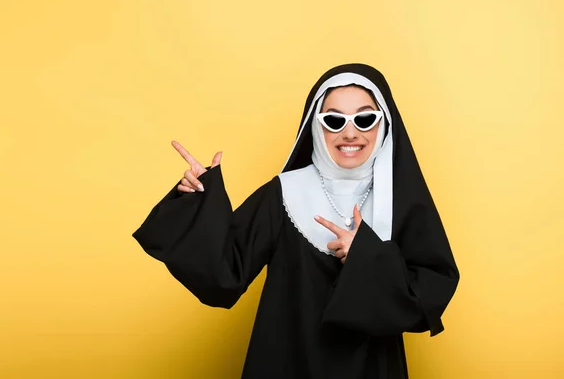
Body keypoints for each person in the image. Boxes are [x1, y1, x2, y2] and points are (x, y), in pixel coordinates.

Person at [132, 63, 459, 378]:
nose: (349, 133)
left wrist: (367, 256)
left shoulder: (399, 197)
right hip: (287, 362)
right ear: (316, 126)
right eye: (333, 120)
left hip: (373, 368)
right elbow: (224, 275)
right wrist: (199, 201)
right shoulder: (284, 192)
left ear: (383, 123)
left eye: (364, 119)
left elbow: (431, 291)